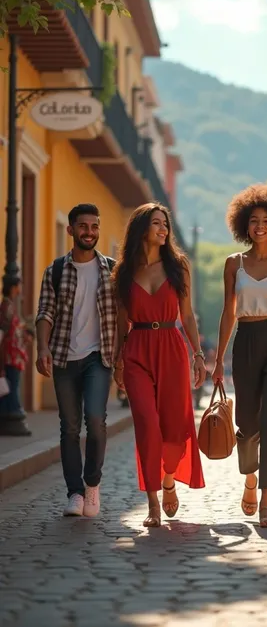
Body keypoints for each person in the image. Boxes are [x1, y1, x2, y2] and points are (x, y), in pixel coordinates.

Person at [112, 202, 205, 528]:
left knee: (174, 429)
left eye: (165, 223)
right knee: (147, 426)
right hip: (137, 349)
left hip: (171, 349)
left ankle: (168, 479)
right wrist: (118, 362)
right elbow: (122, 321)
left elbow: (187, 315)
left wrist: (198, 355)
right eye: (156, 223)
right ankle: (152, 501)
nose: (164, 229)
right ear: (142, 229)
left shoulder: (179, 266)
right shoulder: (124, 272)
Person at [212, 184, 267, 529]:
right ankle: (250, 477)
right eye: (253, 221)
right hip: (245, 340)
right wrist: (218, 359)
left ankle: (266, 500)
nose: (260, 226)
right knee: (246, 426)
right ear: (244, 227)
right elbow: (227, 313)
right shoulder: (234, 264)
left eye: (266, 220)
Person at [36, 203, 116, 518]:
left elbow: (122, 315)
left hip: (100, 356)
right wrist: (43, 348)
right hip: (64, 358)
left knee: (95, 421)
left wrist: (122, 356)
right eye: (83, 226)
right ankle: (75, 493)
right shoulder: (56, 270)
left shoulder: (111, 269)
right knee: (69, 427)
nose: (90, 232)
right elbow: (45, 312)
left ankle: (92, 483)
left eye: (95, 226)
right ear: (70, 230)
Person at [0, 276, 32, 436]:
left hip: (15, 355)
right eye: (19, 285)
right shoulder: (6, 306)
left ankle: (12, 413)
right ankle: (11, 415)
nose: (21, 288)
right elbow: (4, 332)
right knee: (12, 386)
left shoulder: (10, 306)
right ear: (13, 287)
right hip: (10, 356)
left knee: (13, 385)